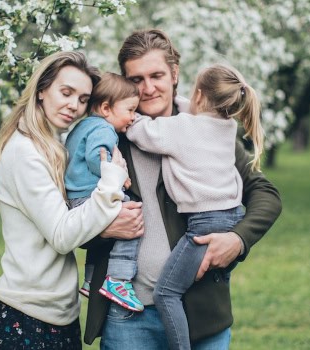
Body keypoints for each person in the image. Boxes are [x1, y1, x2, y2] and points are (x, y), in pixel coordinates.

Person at [82, 29, 283, 349]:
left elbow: (264, 193)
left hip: (200, 313)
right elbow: (69, 212)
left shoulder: (206, 124)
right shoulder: (107, 134)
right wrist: (102, 229)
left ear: (175, 73)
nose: (147, 88)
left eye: (157, 75)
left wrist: (238, 239)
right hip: (127, 317)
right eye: (136, 79)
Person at [0, 51, 143, 350]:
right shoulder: (25, 153)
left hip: (60, 314)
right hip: (27, 315)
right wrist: (111, 182)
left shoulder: (54, 145)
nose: (74, 105)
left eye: (83, 99)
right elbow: (61, 235)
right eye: (66, 92)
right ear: (42, 90)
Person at [125, 63, 265, 350]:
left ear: (198, 96)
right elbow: (199, 115)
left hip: (205, 223)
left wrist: (128, 115)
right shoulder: (226, 128)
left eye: (156, 76)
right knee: (206, 272)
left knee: (166, 293)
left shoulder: (181, 127)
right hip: (230, 215)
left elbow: (142, 132)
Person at [64, 72, 144, 312]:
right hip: (89, 195)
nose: (133, 117)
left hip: (76, 197)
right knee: (132, 217)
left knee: (105, 236)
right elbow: (95, 158)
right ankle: (118, 280)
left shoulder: (84, 126)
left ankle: (90, 279)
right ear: (107, 108)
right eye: (130, 110)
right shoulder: (104, 129)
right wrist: (119, 175)